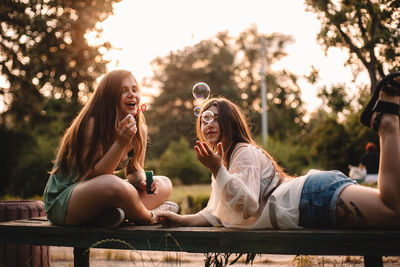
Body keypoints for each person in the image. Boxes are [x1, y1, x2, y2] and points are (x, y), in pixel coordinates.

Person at [157, 71, 400, 229]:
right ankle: (388, 122)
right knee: (392, 208)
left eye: (216, 119)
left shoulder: (243, 152)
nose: (208, 123)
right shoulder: (226, 163)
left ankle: (388, 124)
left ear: (230, 123)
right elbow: (215, 214)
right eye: (205, 119)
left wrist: (217, 169)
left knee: (394, 213)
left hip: (309, 198)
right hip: (310, 199)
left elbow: (248, 206)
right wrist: (181, 219)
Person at [43, 69, 178, 229]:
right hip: (64, 202)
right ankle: (151, 216)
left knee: (164, 183)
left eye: (134, 90)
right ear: (109, 97)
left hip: (102, 196)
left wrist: (141, 180)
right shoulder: (92, 124)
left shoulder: (139, 129)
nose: (132, 94)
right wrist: (120, 144)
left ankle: (112, 216)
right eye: (124, 91)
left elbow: (134, 171)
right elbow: (96, 176)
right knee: (113, 184)